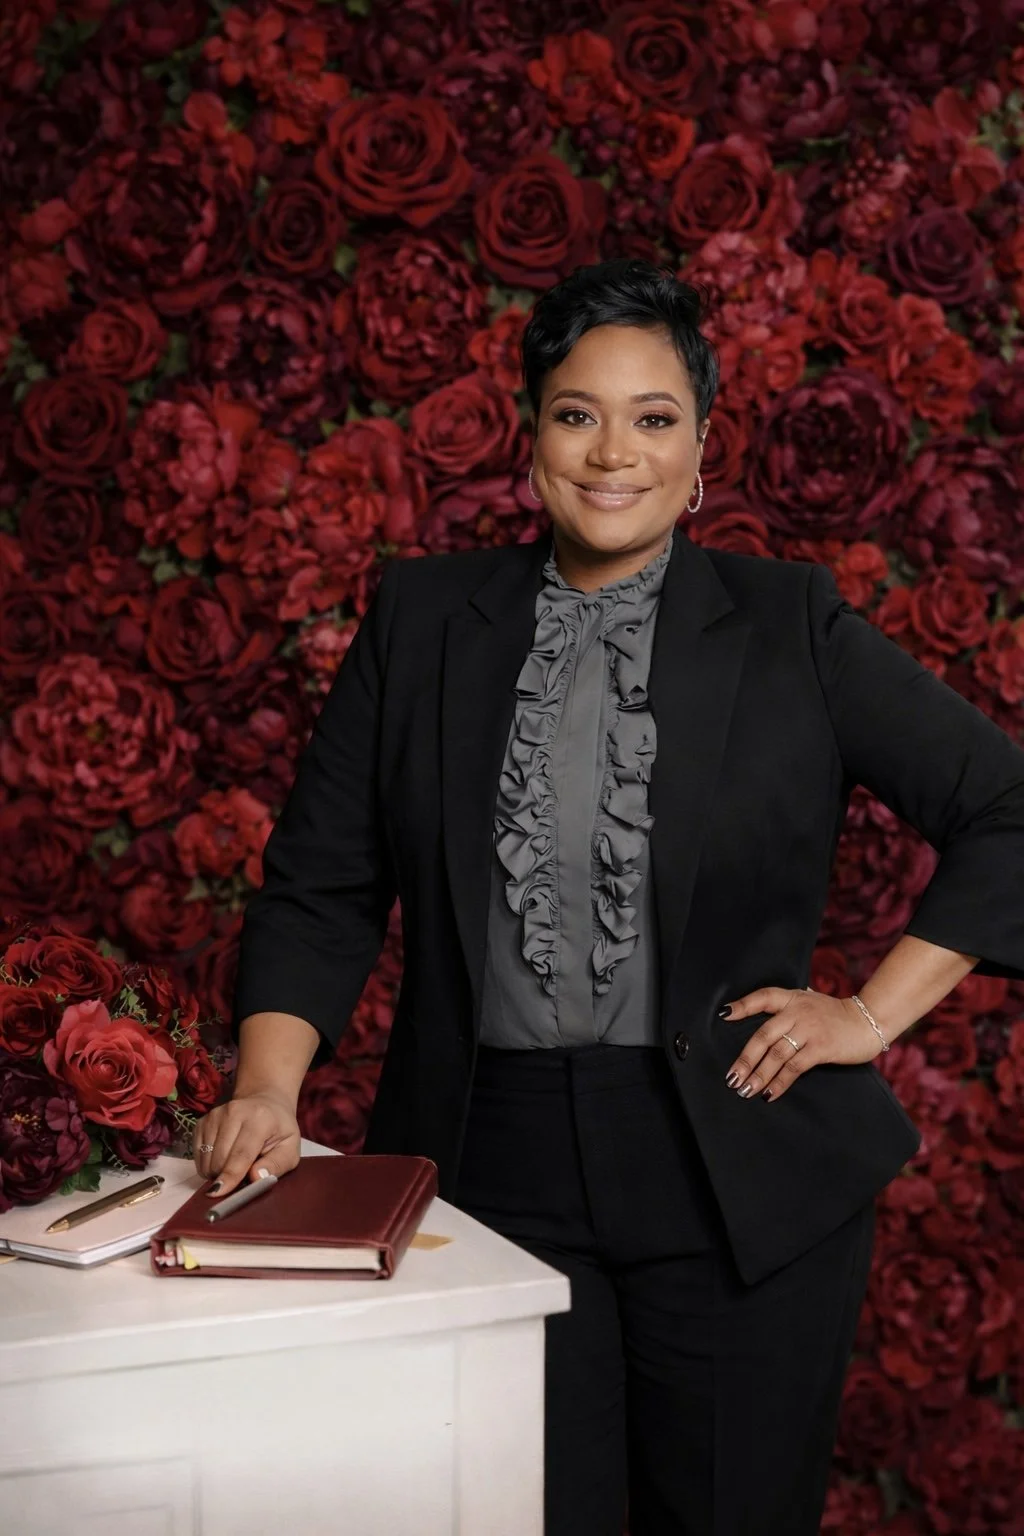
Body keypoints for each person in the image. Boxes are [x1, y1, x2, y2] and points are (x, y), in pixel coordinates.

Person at [193, 258, 1024, 1535]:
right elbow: (322, 882)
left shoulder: (788, 622)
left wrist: (868, 1015)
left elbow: (1004, 808)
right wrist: (266, 1088)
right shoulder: (422, 621)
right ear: (531, 435)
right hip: (483, 1168)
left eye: (653, 418)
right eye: (577, 414)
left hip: (734, 1162)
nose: (612, 453)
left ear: (701, 449)